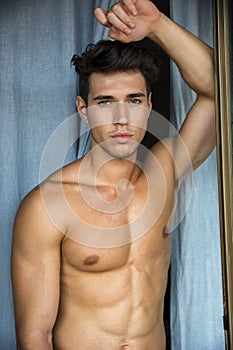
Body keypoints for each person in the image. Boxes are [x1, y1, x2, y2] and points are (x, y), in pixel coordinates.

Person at [11, 0, 215, 349]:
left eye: (134, 100)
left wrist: (158, 26)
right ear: (83, 110)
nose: (121, 118)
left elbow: (217, 89)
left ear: (149, 106)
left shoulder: (164, 172)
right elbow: (35, 335)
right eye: (105, 102)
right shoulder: (48, 205)